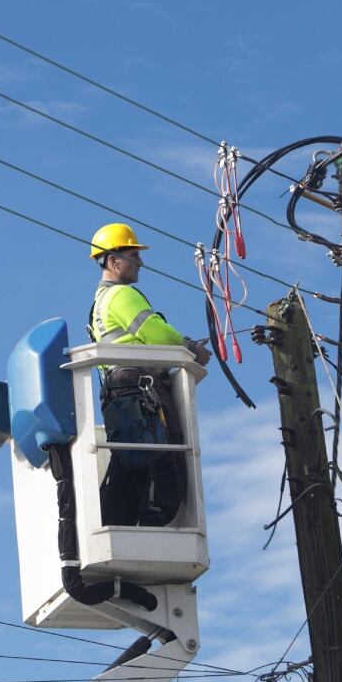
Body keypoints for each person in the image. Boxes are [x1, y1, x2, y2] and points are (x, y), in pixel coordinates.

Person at [86, 222, 211, 527]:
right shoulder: (122, 295)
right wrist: (189, 348)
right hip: (139, 390)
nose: (140, 262)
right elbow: (155, 333)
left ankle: (123, 524)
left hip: (122, 393)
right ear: (114, 261)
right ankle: (147, 519)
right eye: (133, 255)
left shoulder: (100, 302)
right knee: (160, 463)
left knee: (133, 463)